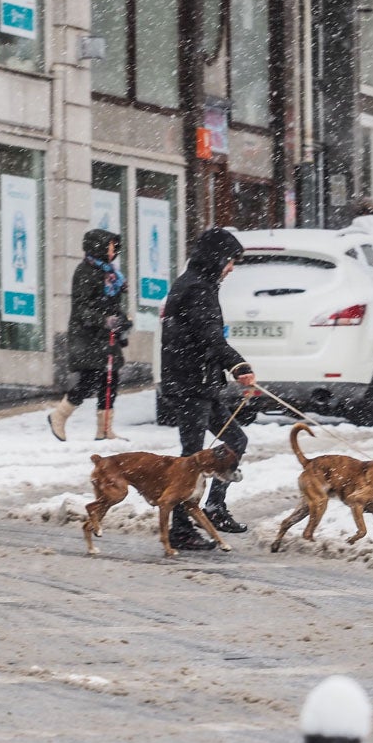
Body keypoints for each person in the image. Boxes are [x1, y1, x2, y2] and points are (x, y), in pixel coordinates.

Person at [158, 226, 257, 551]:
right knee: (190, 461)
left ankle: (214, 506)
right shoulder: (197, 288)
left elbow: (206, 338)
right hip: (191, 384)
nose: (231, 268)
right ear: (216, 258)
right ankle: (181, 529)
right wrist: (239, 366)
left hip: (201, 384)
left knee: (235, 440)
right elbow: (209, 338)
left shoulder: (198, 283)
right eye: (230, 261)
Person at [48, 228, 132, 441]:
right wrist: (104, 320)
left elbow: (111, 306)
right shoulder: (85, 271)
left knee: (110, 383)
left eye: (115, 246)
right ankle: (59, 416)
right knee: (88, 382)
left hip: (106, 338)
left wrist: (122, 320)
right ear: (99, 247)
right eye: (111, 246)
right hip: (88, 338)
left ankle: (104, 430)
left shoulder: (110, 274)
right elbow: (82, 308)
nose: (114, 250)